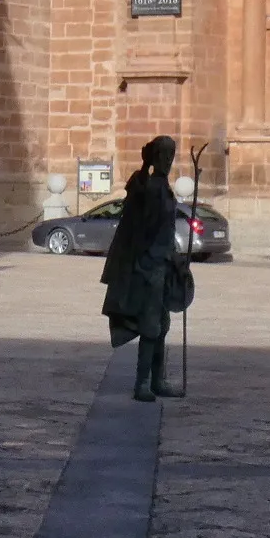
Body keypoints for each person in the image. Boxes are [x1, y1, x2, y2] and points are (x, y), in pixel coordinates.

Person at [100, 136, 193, 403]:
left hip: (163, 266)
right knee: (151, 327)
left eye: (171, 155)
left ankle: (158, 380)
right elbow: (140, 220)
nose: (168, 160)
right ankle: (142, 383)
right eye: (163, 154)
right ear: (153, 157)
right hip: (148, 268)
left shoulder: (164, 189)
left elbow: (165, 231)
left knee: (162, 326)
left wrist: (175, 259)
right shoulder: (150, 187)